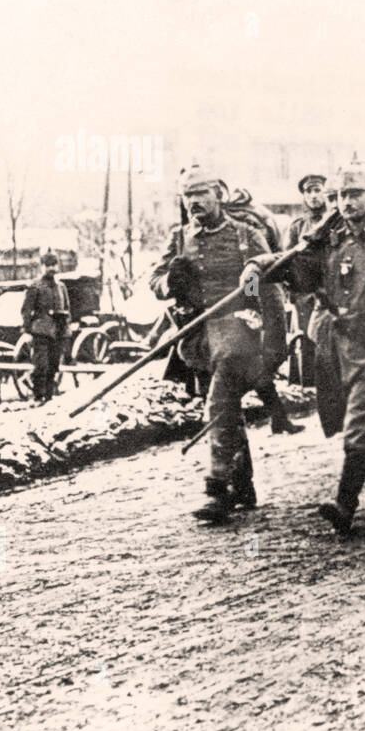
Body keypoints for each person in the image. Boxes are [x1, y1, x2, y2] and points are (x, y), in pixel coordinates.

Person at [247, 163, 365, 537]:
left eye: (354, 194)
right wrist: (258, 265)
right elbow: (297, 269)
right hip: (338, 343)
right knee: (362, 416)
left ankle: (345, 504)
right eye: (340, 196)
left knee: (360, 422)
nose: (346, 202)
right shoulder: (329, 239)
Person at [150, 163, 285, 522]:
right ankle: (243, 485)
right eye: (187, 195)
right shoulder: (179, 238)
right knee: (225, 410)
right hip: (199, 339)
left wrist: (270, 337)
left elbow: (266, 286)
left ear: (218, 194)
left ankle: (217, 488)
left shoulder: (245, 234)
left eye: (200, 193)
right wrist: (169, 284)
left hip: (239, 335)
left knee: (218, 405)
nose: (193, 201)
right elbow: (155, 279)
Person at [284, 173, 330, 389]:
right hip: (304, 294)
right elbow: (284, 261)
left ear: (325, 192)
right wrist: (292, 292)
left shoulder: (334, 220)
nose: (313, 195)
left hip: (330, 291)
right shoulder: (297, 227)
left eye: (317, 190)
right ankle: (309, 385)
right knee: (305, 340)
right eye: (309, 191)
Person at [20, 252, 71, 404]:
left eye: (54, 265)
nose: (51, 269)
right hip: (40, 331)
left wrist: (66, 325)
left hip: (58, 331)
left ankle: (49, 397)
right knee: (41, 365)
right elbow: (26, 310)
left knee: (54, 365)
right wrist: (28, 331)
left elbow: (67, 308)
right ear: (42, 267)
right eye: (48, 265)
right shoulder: (35, 286)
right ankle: (38, 396)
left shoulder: (61, 287)